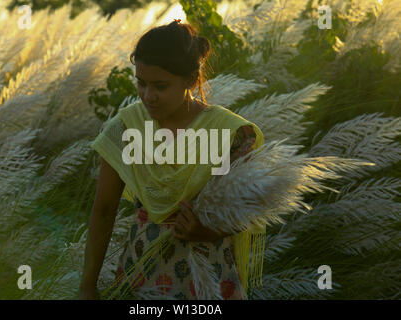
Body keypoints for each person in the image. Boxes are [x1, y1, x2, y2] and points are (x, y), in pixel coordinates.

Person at [79, 19, 264, 300]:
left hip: (207, 276)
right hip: (141, 271)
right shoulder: (126, 128)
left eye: (160, 86)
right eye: (141, 83)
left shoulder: (227, 133)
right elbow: (103, 210)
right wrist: (88, 286)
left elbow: (249, 212)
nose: (148, 96)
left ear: (190, 80)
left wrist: (209, 229)